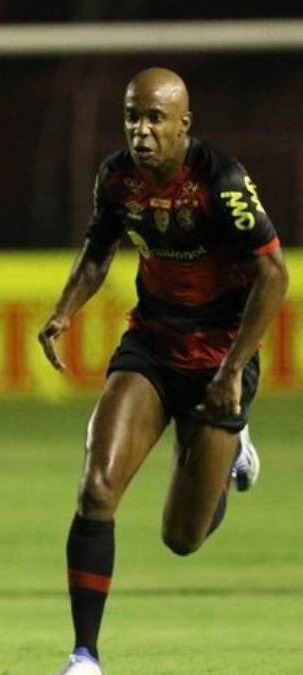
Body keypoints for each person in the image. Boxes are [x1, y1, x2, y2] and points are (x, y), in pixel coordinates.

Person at [38, 67, 288, 675]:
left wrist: (233, 369)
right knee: (96, 489)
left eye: (154, 118)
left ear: (183, 124)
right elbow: (99, 250)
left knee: (182, 538)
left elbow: (274, 275)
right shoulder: (116, 178)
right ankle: (84, 656)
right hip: (151, 345)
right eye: (132, 117)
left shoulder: (221, 181)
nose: (141, 131)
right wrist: (63, 311)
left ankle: (230, 455)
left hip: (218, 359)